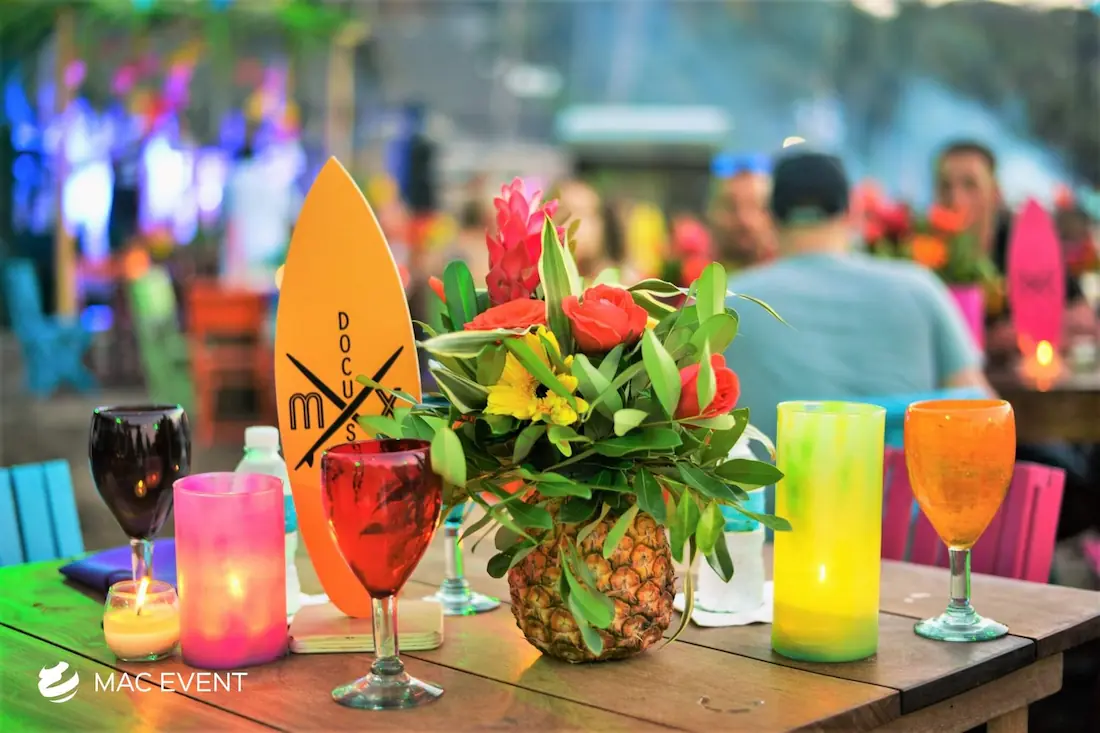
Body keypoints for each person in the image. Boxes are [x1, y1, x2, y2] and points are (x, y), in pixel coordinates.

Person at [723, 149, 992, 444]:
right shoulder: (919, 289)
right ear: (853, 211)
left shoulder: (727, 303)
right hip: (898, 475)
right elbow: (984, 417)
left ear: (769, 216)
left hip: (779, 475)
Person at [934, 140, 1099, 355]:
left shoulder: (1029, 245)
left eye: (970, 185)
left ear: (995, 192)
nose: (956, 199)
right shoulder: (921, 253)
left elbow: (1082, 316)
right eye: (945, 186)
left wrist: (1031, 330)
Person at [708, 154, 777, 269]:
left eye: (753, 206)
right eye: (731, 207)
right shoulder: (691, 276)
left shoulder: (790, 273)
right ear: (711, 212)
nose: (743, 219)